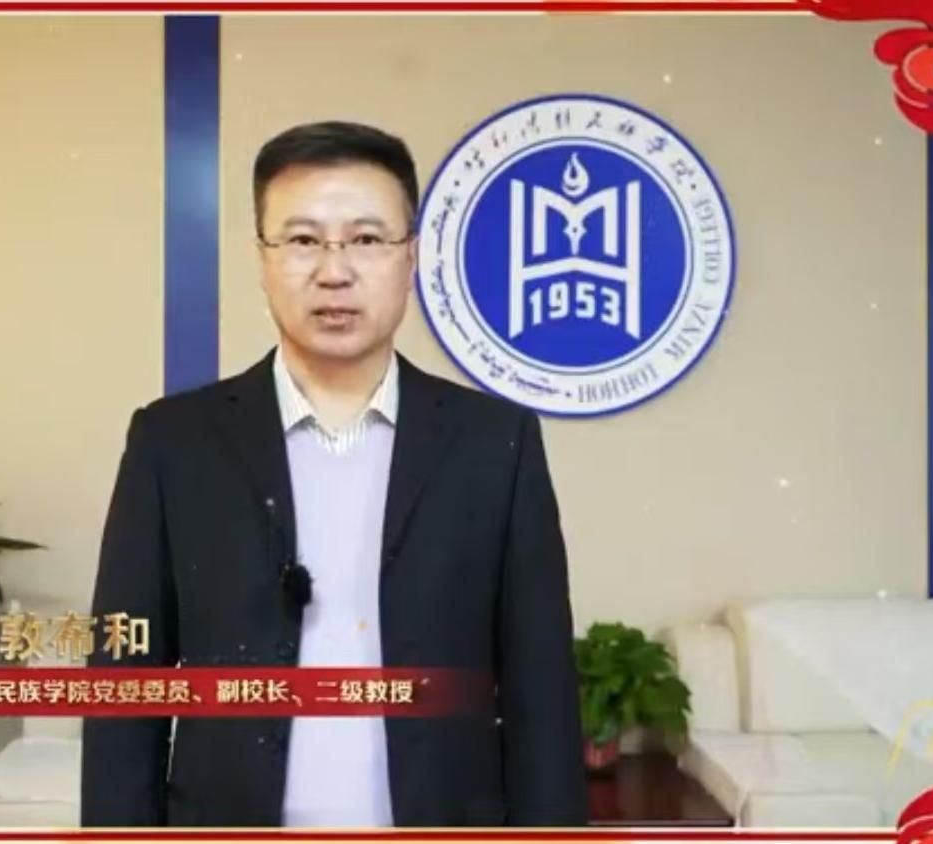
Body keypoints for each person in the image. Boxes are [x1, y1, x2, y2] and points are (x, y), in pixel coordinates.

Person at [79, 120, 586, 828]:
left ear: (410, 257)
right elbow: (124, 685)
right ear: (263, 259)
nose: (334, 271)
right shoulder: (174, 442)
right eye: (303, 240)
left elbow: (541, 694)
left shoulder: (494, 443)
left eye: (367, 239)